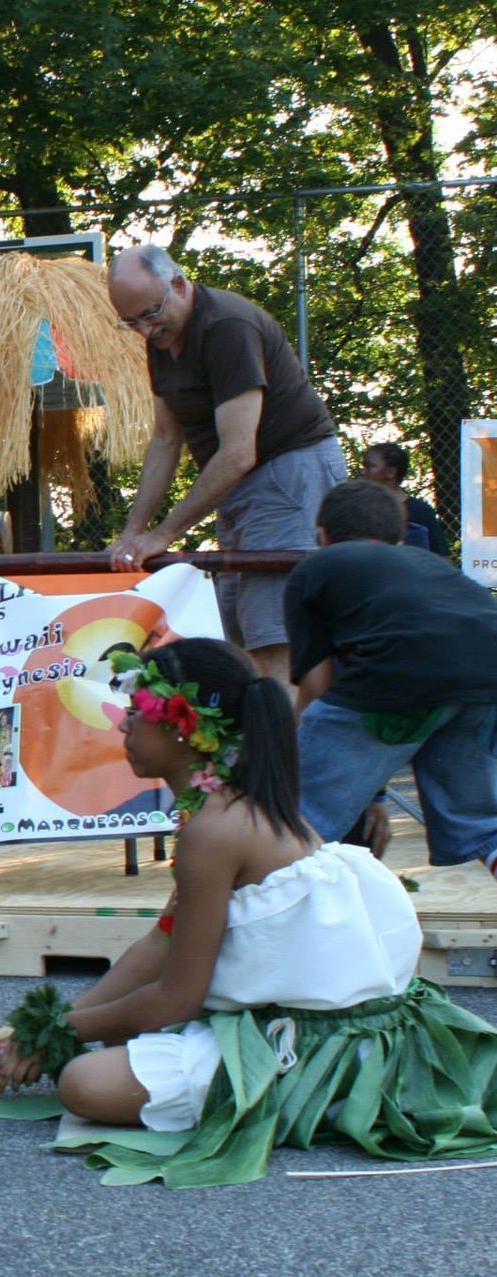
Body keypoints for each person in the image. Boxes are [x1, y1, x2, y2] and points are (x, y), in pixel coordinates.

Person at [0, 638, 497, 1187]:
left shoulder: (215, 829)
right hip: (315, 1024)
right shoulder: (218, 809)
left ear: (183, 726)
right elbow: (161, 943)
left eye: (137, 711)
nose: (124, 725)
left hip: (317, 1043)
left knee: (85, 1084)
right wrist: (46, 1027)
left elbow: (175, 999)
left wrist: (63, 1031)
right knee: (115, 1044)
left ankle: (320, 1096)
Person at [105, 245, 346, 691]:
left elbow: (238, 453)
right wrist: (132, 532)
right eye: (131, 322)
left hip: (289, 475)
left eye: (151, 313)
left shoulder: (227, 327)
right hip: (242, 489)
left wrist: (163, 534)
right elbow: (166, 439)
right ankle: (265, 731)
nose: (145, 329)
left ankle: (288, 736)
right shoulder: (161, 339)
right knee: (240, 638)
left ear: (179, 284)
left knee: (274, 641)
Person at [286, 479, 497, 878]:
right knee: (480, 824)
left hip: (402, 677)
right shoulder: (431, 565)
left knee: (300, 814)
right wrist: (373, 793)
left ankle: (286, 901)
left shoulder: (316, 568)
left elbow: (318, 689)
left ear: (322, 536)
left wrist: (292, 757)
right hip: (487, 676)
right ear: (399, 539)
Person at [360, 441, 450, 558]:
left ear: (391, 472)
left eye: (370, 467)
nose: (363, 472)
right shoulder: (359, 509)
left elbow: (442, 558)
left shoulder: (421, 511)